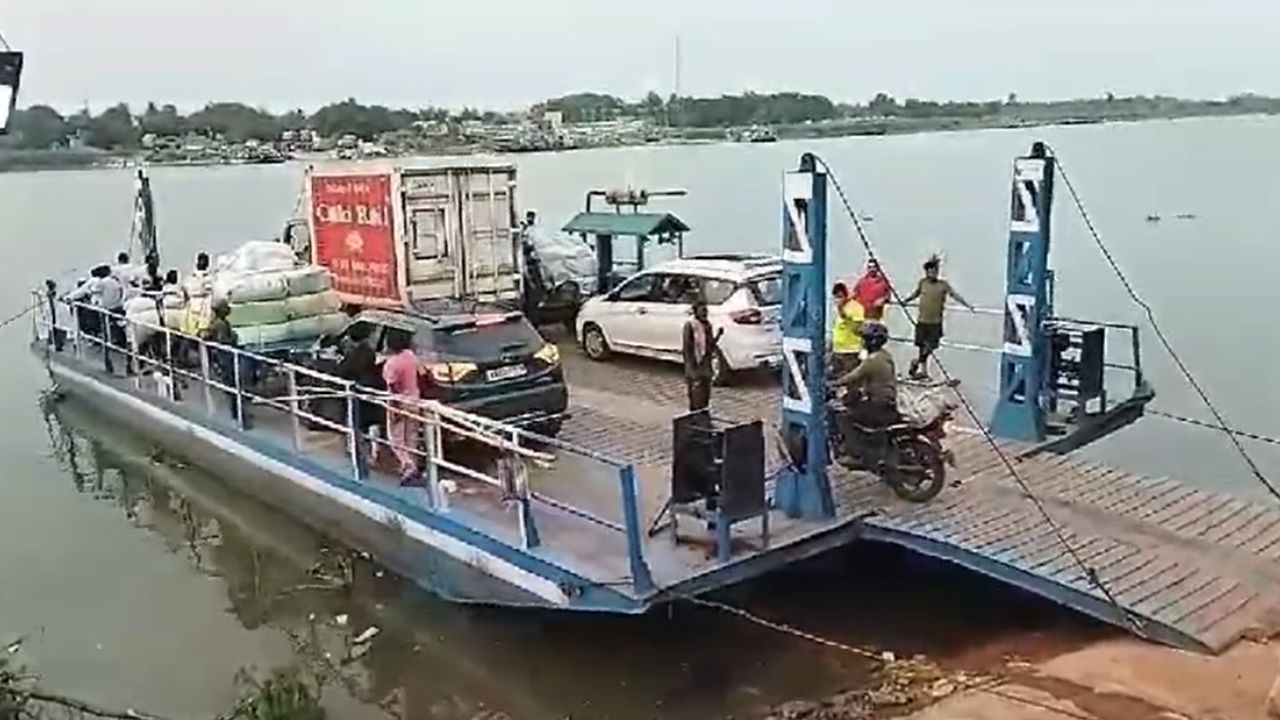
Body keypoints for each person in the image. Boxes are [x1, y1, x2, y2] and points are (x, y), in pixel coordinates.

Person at [902, 255, 972, 379]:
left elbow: (954, 295)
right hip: (922, 320)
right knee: (922, 346)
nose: (933, 273)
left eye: (935, 271)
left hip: (935, 321)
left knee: (931, 346)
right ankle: (924, 371)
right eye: (931, 271)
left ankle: (916, 362)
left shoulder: (943, 285)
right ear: (927, 272)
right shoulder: (922, 282)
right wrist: (905, 301)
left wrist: (967, 305)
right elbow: (916, 294)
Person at [832, 322, 899, 431]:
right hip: (887, 405)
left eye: (864, 340)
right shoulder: (885, 355)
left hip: (878, 407)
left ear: (871, 341)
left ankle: (852, 446)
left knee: (843, 416)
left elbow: (854, 376)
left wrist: (834, 383)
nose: (862, 343)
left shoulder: (872, 360)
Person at [65, 264, 130, 375]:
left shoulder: (100, 283)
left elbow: (86, 291)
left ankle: (93, 335)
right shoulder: (115, 281)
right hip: (118, 308)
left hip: (105, 310)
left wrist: (69, 297)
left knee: (85, 312)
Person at [337, 323, 385, 468]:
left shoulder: (351, 354)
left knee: (353, 421)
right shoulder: (369, 352)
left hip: (355, 392)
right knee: (372, 422)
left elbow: (342, 372)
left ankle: (353, 449)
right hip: (370, 390)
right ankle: (375, 450)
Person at [382, 329, 423, 484]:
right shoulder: (410, 356)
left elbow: (392, 387)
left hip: (399, 402)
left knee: (396, 439)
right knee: (411, 436)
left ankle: (408, 466)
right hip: (414, 400)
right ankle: (413, 466)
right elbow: (421, 373)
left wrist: (395, 408)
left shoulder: (391, 364)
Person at [202, 300, 250, 428]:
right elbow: (223, 341)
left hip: (222, 359)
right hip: (226, 359)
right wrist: (234, 338)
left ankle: (237, 414)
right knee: (235, 388)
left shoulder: (215, 323)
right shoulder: (221, 325)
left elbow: (207, 336)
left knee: (232, 388)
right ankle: (241, 417)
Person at [681, 296, 721, 411]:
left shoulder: (707, 325)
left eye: (706, 311)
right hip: (695, 366)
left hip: (706, 365)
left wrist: (718, 336)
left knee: (705, 395)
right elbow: (687, 349)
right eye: (702, 310)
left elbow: (710, 345)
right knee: (696, 397)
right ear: (696, 312)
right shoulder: (690, 325)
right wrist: (692, 370)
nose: (705, 313)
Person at [830, 282, 866, 376]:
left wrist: (845, 315)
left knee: (851, 378)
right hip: (837, 349)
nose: (838, 300)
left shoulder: (856, 307)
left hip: (850, 350)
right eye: (836, 297)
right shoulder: (839, 308)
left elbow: (857, 327)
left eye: (840, 296)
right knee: (836, 376)